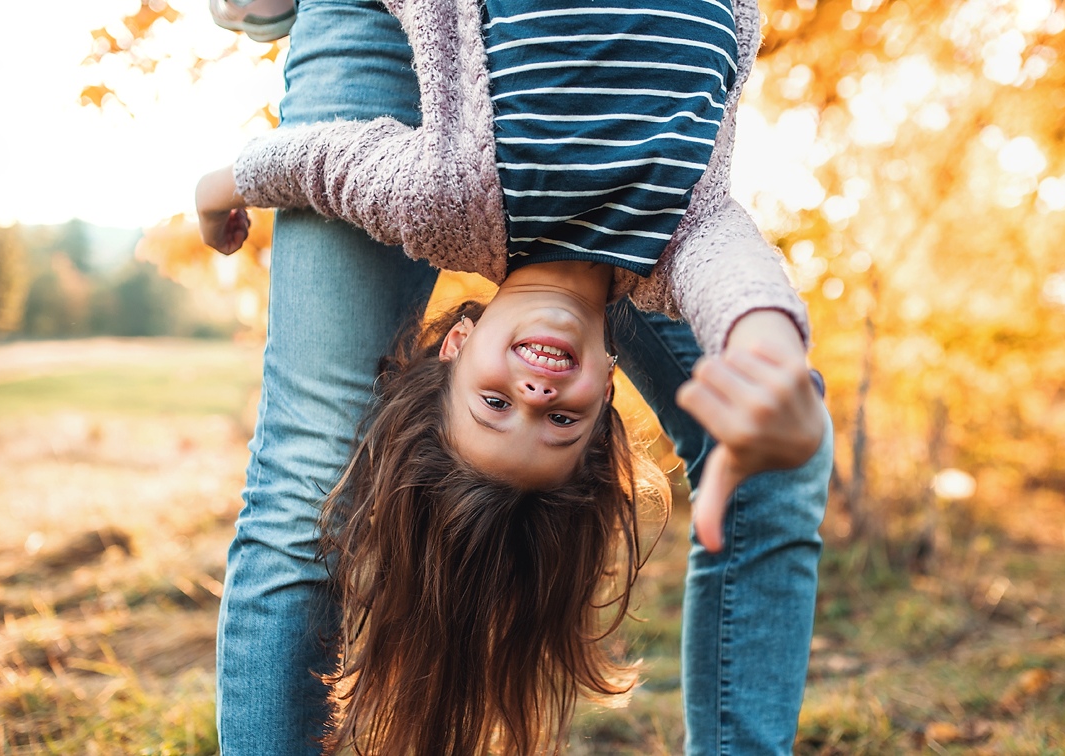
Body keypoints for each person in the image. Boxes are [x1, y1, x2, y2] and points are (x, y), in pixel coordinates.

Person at [197, 0, 834, 753]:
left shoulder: (449, 200)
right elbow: (740, 281)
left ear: (456, 345)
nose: (534, 398)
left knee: (310, 491)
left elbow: (327, 164)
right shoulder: (678, 240)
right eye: (557, 423)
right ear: (603, 398)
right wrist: (770, 355)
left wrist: (219, 185)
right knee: (783, 446)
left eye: (494, 402)